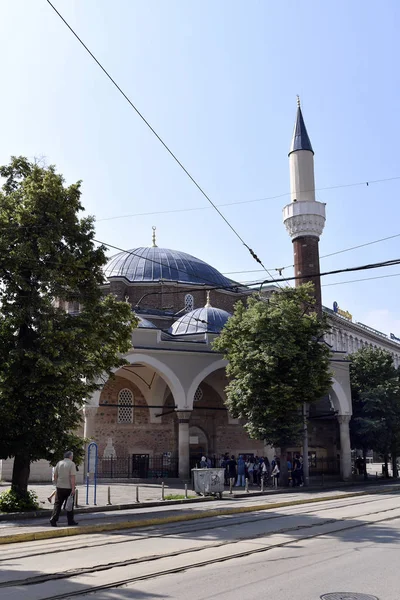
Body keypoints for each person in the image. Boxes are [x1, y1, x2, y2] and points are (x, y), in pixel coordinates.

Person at [49, 450, 78, 527]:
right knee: (69, 505)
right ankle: (70, 521)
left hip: (59, 487)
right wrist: (73, 489)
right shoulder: (72, 464)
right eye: (72, 456)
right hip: (68, 487)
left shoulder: (59, 463)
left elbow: (55, 475)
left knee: (57, 504)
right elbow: (72, 477)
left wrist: (56, 483)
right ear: (70, 456)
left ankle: (53, 519)